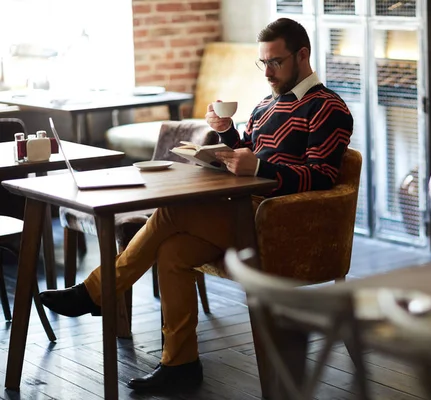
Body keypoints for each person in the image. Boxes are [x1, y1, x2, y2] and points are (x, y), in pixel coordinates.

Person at [39, 17, 353, 392]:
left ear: (302, 55)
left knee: (171, 212)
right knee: (172, 252)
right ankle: (180, 364)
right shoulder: (267, 104)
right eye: (263, 62)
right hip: (240, 214)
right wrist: (224, 135)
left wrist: (261, 167)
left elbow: (321, 177)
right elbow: (248, 150)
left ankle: (97, 291)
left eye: (276, 62)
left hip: (281, 226)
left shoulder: (328, 108)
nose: (267, 72)